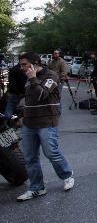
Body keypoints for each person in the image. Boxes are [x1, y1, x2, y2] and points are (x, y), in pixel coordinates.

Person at [17, 51, 74, 202]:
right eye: (20, 65)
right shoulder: (28, 79)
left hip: (47, 122)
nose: (22, 68)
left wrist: (33, 78)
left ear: (36, 63)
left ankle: (67, 175)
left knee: (51, 152)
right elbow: (29, 100)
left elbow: (41, 94)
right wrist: (22, 115)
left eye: (24, 64)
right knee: (30, 158)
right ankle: (37, 187)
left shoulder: (51, 76)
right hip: (29, 123)